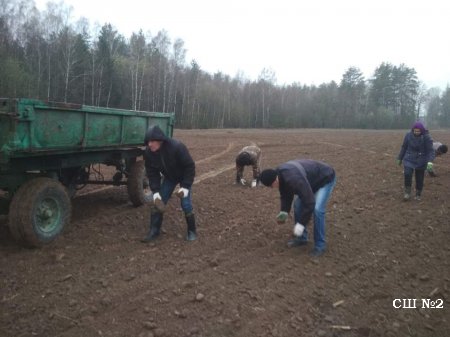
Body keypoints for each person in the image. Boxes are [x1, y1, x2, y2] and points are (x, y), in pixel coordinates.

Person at [259, 159, 336, 257]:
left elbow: (310, 202)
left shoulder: (293, 179)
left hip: (325, 178)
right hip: (310, 181)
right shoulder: (280, 175)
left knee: (317, 210)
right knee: (298, 205)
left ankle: (320, 246)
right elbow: (286, 195)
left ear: (275, 180)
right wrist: (284, 212)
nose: (271, 188)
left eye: (271, 186)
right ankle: (302, 238)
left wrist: (301, 225)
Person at [142, 125, 197, 242]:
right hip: (170, 177)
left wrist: (186, 187)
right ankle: (154, 231)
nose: (149, 144)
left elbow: (190, 166)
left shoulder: (176, 147)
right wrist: (155, 191)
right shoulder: (149, 153)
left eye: (152, 141)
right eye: (148, 142)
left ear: (160, 140)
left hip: (183, 177)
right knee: (158, 202)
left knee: (185, 203)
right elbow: (152, 173)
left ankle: (192, 231)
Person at [397, 121, 434, 201]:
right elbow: (404, 147)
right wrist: (400, 158)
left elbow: (430, 150)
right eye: (415, 131)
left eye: (418, 131)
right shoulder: (408, 135)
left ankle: (418, 193)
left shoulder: (426, 137)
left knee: (419, 178)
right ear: (413, 130)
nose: (416, 132)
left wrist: (430, 161)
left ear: (422, 131)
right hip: (409, 158)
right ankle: (407, 192)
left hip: (421, 160)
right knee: (407, 174)